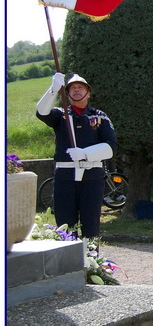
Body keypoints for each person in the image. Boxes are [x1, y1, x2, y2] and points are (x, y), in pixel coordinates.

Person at [36, 73, 117, 239]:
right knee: (65, 225)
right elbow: (41, 112)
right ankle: (69, 262)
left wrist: (86, 154)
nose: (76, 90)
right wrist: (53, 90)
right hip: (65, 177)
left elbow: (111, 147)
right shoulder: (60, 115)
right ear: (67, 93)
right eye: (72, 87)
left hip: (92, 177)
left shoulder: (99, 116)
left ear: (89, 92)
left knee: (91, 224)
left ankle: (91, 261)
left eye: (81, 87)